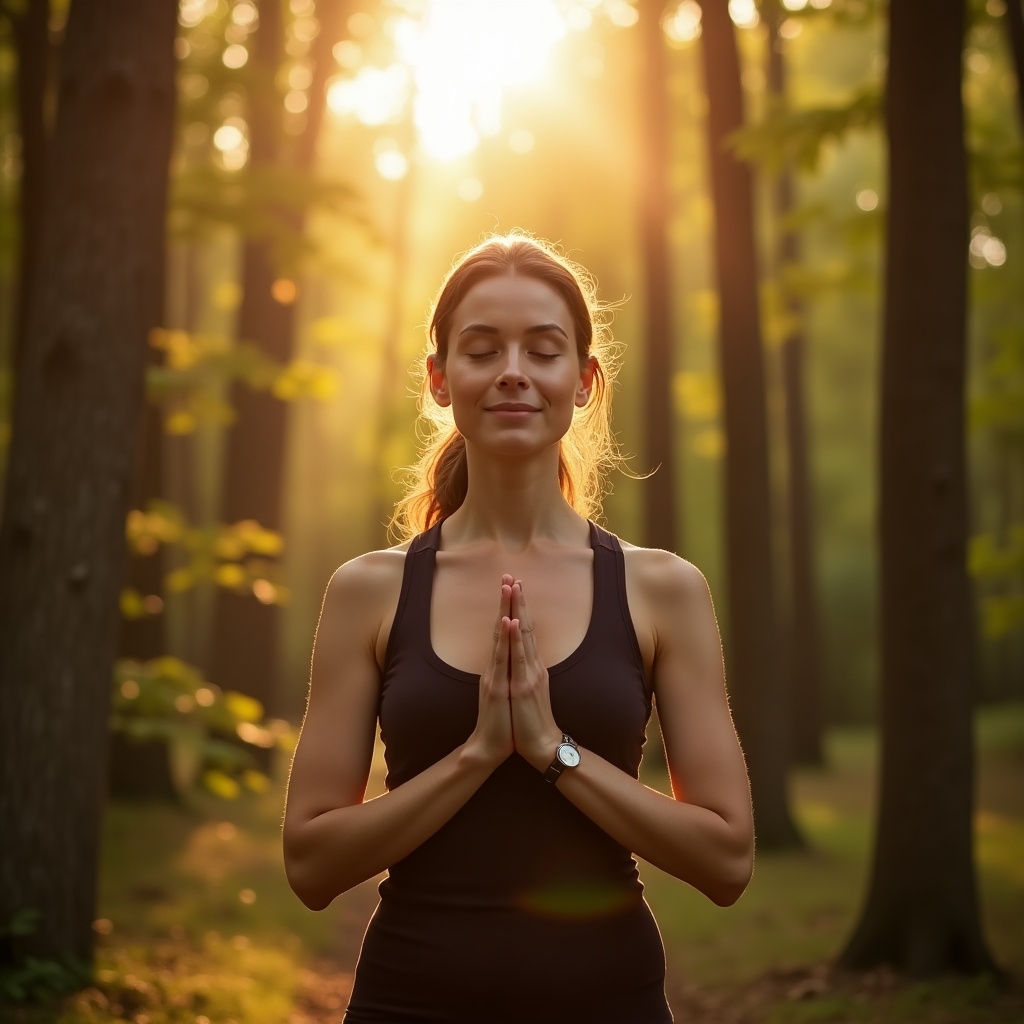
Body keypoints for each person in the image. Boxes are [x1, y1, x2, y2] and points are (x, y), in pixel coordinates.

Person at [283, 233, 754, 1023]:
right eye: (481, 349)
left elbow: (727, 858)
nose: (512, 371)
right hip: (410, 1002)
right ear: (439, 379)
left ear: (583, 381)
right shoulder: (370, 591)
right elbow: (309, 862)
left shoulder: (662, 590)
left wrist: (551, 753)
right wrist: (476, 756)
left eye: (542, 349)